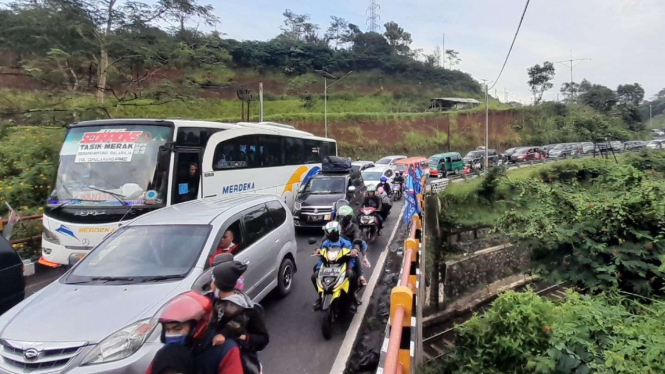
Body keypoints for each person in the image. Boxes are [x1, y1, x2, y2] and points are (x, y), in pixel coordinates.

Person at [146, 291, 243, 374]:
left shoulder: (224, 350)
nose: (171, 334)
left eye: (177, 329)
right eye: (167, 330)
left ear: (197, 326)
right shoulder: (166, 353)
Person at [210, 260, 269, 374]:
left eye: (213, 281)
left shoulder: (248, 309)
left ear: (220, 285)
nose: (210, 284)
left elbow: (263, 339)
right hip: (219, 360)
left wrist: (244, 338)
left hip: (243, 365)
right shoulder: (216, 301)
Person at [312, 221, 360, 312]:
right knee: (314, 276)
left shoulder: (345, 243)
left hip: (342, 265)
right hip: (328, 266)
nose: (332, 232)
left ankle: (351, 298)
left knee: (351, 275)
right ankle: (320, 296)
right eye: (330, 231)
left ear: (338, 231)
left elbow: (352, 257)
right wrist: (318, 252)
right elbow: (321, 255)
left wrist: (352, 255)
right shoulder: (325, 243)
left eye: (334, 230)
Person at [337, 205, 369, 288]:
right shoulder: (335, 226)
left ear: (349, 218)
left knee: (356, 257)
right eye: (340, 217)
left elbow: (357, 239)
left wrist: (355, 249)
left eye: (344, 217)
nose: (342, 219)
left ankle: (361, 277)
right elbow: (326, 237)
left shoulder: (354, 228)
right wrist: (319, 248)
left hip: (349, 249)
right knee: (318, 269)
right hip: (335, 249)